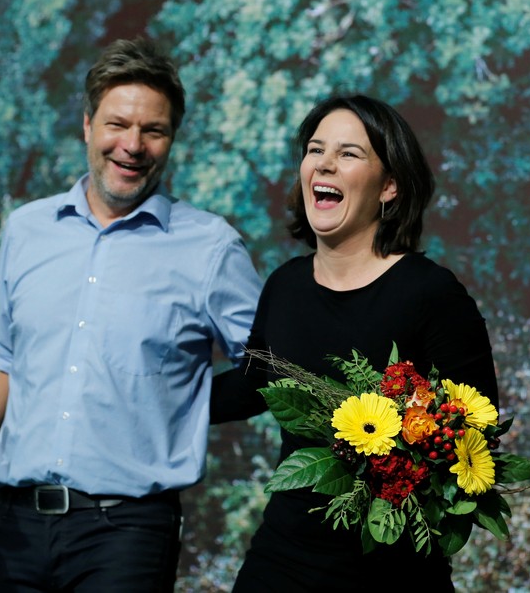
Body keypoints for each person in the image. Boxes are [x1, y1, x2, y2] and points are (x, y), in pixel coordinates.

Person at [0, 37, 261, 592]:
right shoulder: (27, 230)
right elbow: (3, 354)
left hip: (126, 534)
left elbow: (269, 367)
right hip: (14, 528)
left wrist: (186, 404)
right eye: (117, 125)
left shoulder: (209, 247)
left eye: (153, 131)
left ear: (171, 140)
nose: (132, 145)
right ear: (87, 125)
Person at [210, 93, 499, 591]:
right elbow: (254, 384)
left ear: (389, 186)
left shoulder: (431, 293)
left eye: (348, 154)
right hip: (282, 562)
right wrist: (149, 395)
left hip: (393, 574)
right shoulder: (285, 285)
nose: (324, 163)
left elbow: (475, 431)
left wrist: (396, 458)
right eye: (316, 149)